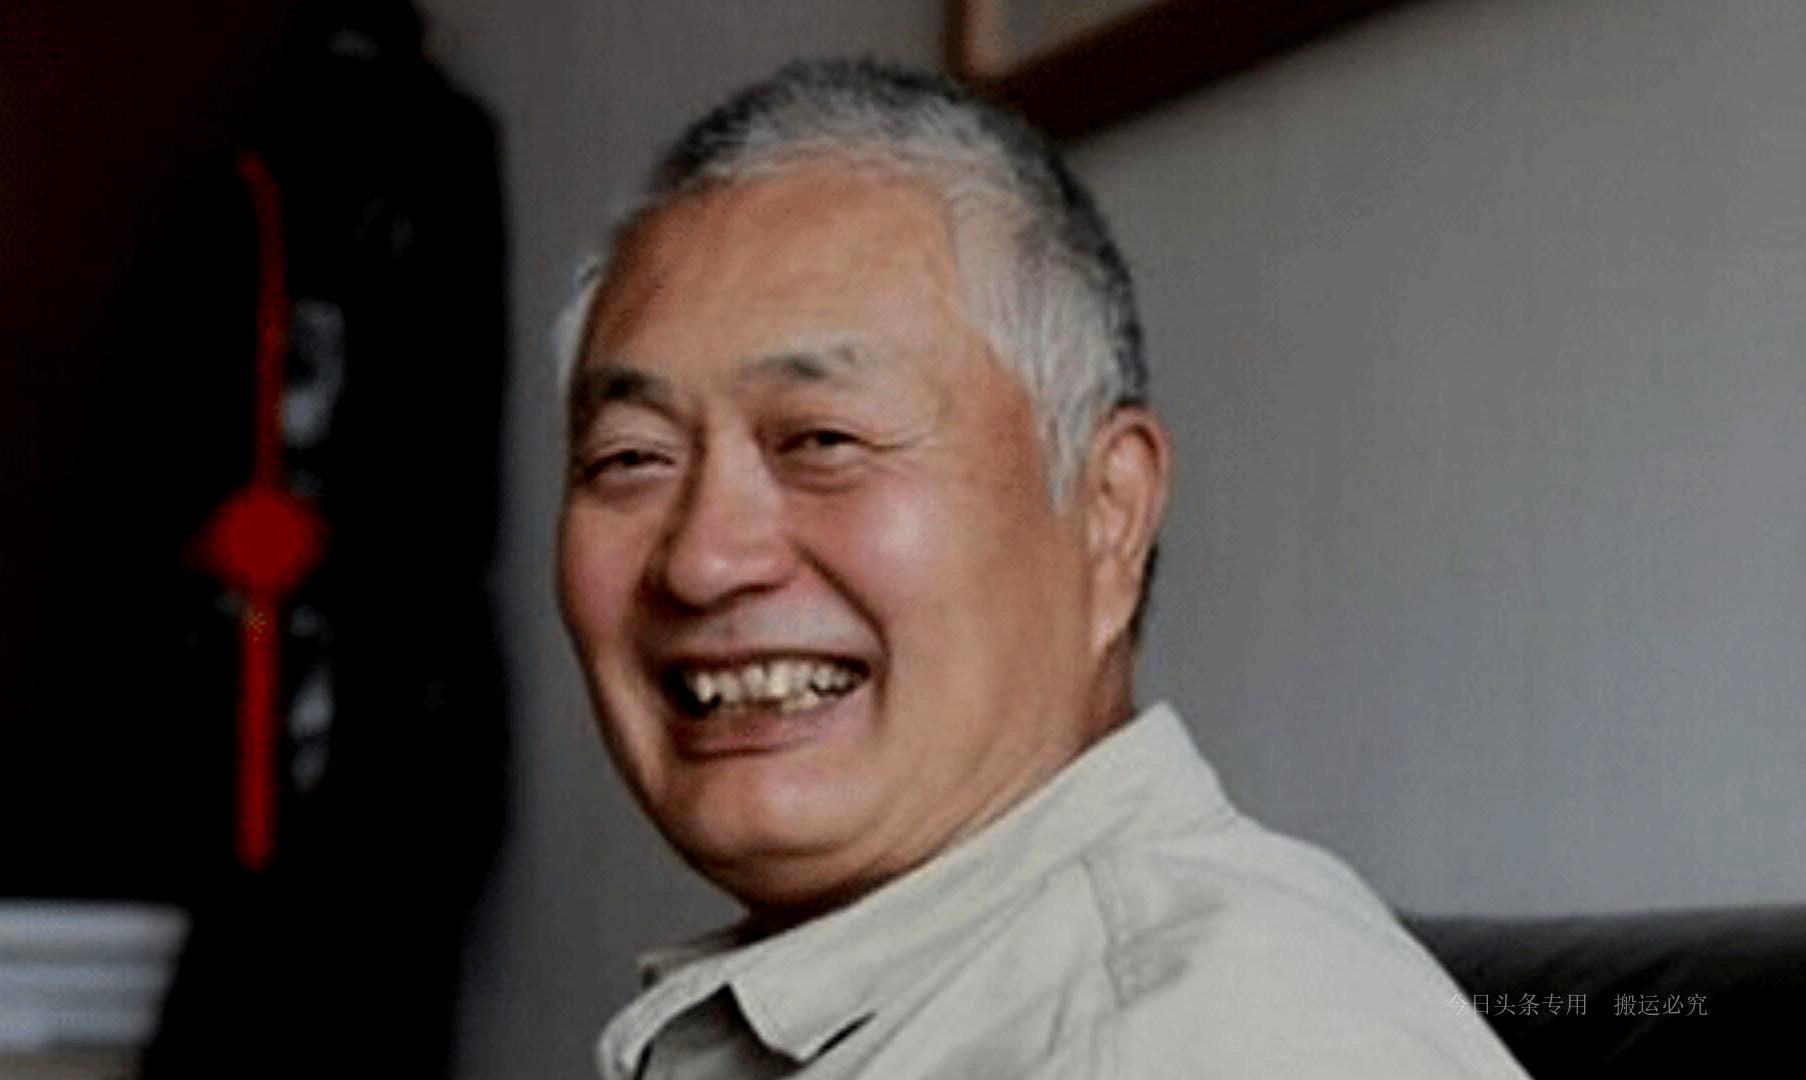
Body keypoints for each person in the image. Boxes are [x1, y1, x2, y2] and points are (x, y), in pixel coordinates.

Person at [556, 59, 1528, 1080]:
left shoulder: (1219, 1040)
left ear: (1109, 513)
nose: (704, 560)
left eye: (823, 440)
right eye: (630, 458)